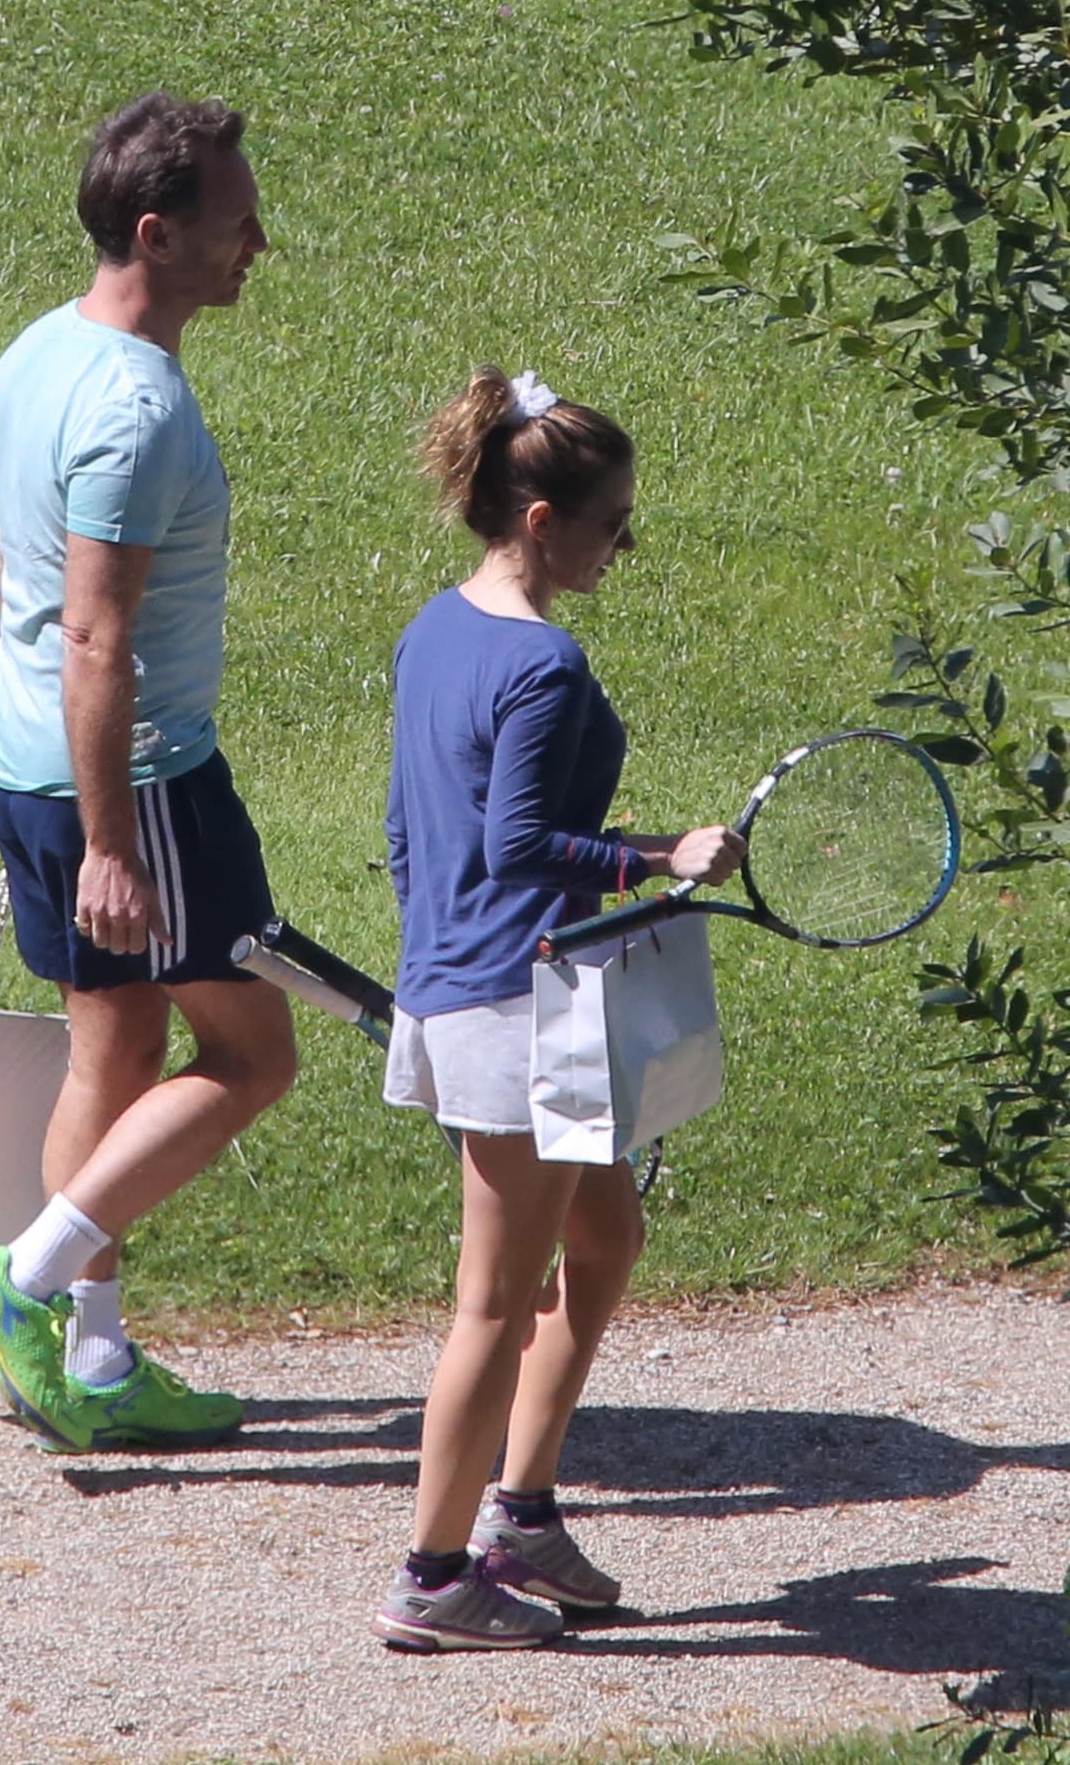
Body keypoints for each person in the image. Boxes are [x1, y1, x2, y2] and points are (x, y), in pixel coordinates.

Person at [0, 93, 296, 1454]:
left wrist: (38, 782)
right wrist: (106, 839)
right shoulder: (135, 410)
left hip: (31, 763)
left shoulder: (34, 355)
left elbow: (12, 589)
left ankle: (94, 1363)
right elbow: (95, 634)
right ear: (159, 231)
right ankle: (17, 1283)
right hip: (133, 787)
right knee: (252, 1055)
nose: (261, 237)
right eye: (236, 217)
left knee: (118, 1046)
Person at [372, 366, 745, 1651]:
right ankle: (431, 1579)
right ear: (540, 521)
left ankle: (518, 1516)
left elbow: (415, 834)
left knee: (605, 1241)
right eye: (609, 523)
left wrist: (437, 967)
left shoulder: (434, 627)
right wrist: (655, 858)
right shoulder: (539, 662)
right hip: (506, 1006)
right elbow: (521, 839)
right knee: (490, 1301)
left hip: (470, 985)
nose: (620, 546)